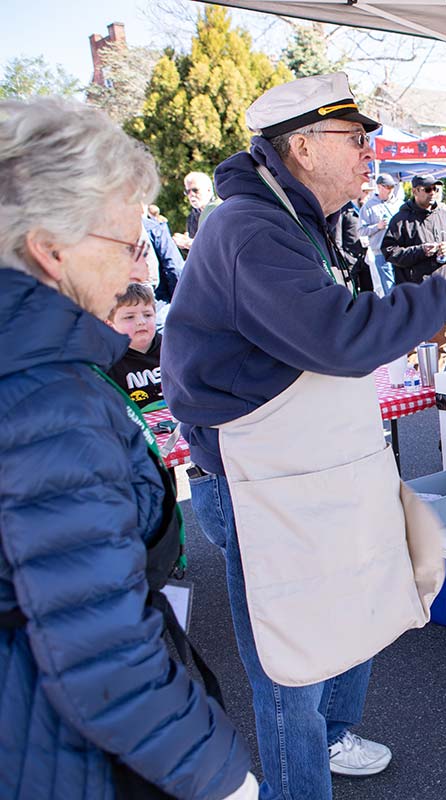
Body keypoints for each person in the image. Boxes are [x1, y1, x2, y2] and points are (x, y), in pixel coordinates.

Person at [160, 72, 446, 800]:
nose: (371, 153)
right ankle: (301, 779)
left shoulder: (298, 222)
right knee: (290, 660)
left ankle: (330, 738)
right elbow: (341, 337)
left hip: (308, 466)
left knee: (351, 616)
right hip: (258, 481)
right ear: (301, 145)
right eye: (355, 139)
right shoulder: (248, 229)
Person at [0, 96, 256, 800]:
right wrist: (224, 779)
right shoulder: (49, 401)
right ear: (51, 250)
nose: (138, 264)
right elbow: (101, 649)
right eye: (125, 243)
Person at [382, 174, 446, 285]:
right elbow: (390, 252)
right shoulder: (400, 219)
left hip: (443, 284)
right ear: (415, 191)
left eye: (435, 189)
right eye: (427, 189)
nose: (432, 193)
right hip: (414, 288)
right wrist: (420, 251)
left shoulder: (445, 214)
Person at [106, 282, 166, 410]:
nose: (141, 322)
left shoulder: (172, 348)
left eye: (147, 315)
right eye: (129, 317)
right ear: (110, 325)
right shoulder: (106, 360)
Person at [359, 172, 403, 292]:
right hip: (381, 253)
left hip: (400, 251)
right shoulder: (368, 206)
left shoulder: (400, 205)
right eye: (387, 187)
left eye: (392, 187)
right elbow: (361, 230)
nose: (390, 190)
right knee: (389, 288)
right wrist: (377, 227)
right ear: (379, 187)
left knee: (402, 286)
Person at [330, 180, 374, 295]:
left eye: (368, 193)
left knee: (368, 292)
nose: (367, 196)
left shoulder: (366, 211)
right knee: (351, 294)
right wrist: (344, 260)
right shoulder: (343, 211)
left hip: (365, 258)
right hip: (350, 261)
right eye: (365, 192)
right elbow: (337, 240)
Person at [172, 170, 219, 252]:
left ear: (209, 190)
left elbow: (220, 243)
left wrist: (192, 244)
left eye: (195, 190)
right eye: (187, 191)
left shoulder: (219, 210)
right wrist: (184, 244)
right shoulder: (192, 217)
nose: (191, 195)